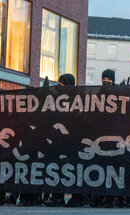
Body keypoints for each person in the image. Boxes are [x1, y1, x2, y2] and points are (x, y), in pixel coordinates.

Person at [44, 74, 76, 207]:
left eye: (61, 84)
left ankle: (74, 197)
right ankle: (57, 196)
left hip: (70, 142)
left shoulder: (75, 101)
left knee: (70, 170)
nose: (58, 87)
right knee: (56, 169)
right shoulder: (54, 100)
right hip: (56, 141)